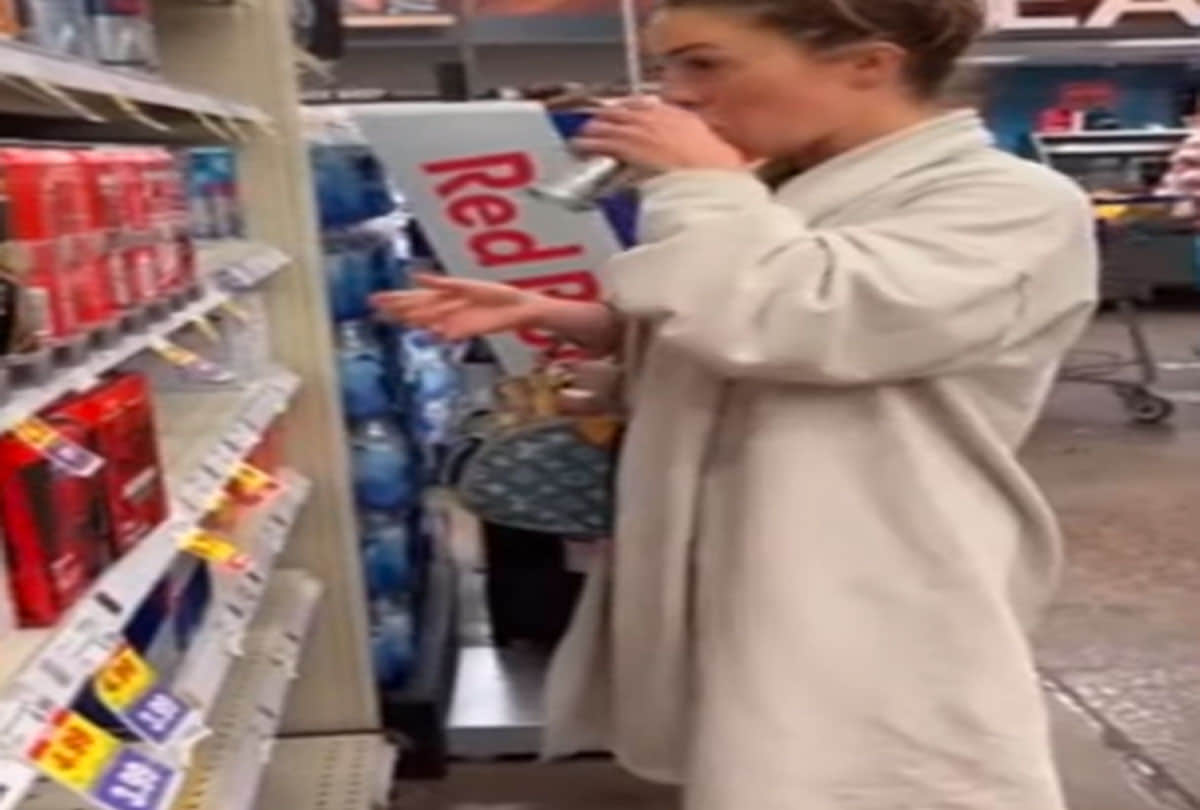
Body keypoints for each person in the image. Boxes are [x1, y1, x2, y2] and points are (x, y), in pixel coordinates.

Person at [373, 0, 1099, 807]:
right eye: (669, 68)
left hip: (870, 565)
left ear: (867, 65)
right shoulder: (792, 190)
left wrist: (700, 185)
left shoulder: (1009, 201)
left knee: (880, 777)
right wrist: (580, 324)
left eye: (705, 64)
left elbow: (802, 320)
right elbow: (753, 338)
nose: (677, 95)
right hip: (753, 551)